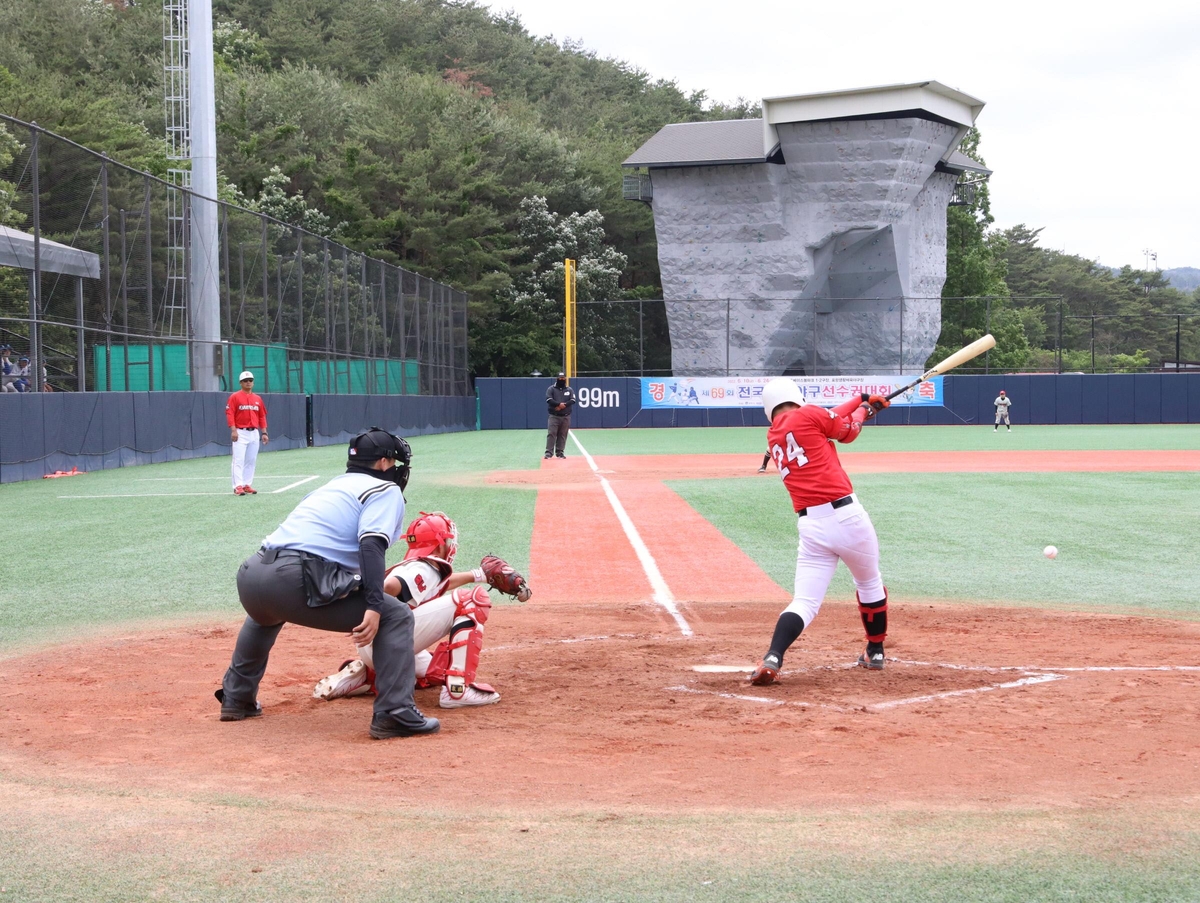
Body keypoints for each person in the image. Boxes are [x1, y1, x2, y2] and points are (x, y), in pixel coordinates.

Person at [217, 427, 440, 739]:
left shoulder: (332, 486)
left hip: (253, 576)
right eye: (395, 463)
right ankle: (395, 712)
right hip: (293, 578)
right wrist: (375, 607)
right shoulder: (383, 491)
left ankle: (236, 698)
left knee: (264, 616)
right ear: (383, 464)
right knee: (395, 615)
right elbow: (371, 546)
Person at [749, 378, 893, 685]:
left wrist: (860, 400)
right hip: (848, 518)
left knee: (804, 601)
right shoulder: (810, 414)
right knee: (869, 583)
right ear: (796, 396)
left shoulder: (775, 434)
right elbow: (848, 432)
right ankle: (875, 651)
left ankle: (773, 656)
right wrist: (864, 411)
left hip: (811, 527)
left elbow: (825, 419)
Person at [313, 511, 531, 709]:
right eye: (447, 539)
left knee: (437, 671)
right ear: (439, 544)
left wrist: (479, 575)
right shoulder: (423, 568)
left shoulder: (419, 566)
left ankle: (368, 676)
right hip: (385, 643)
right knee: (472, 599)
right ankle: (458, 691)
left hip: (379, 648)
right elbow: (389, 587)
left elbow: (436, 585)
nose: (450, 544)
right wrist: (372, 613)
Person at [226, 370, 268, 495]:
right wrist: (233, 430)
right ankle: (237, 486)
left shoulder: (257, 399)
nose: (248, 382)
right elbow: (230, 413)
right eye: (245, 381)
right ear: (240, 383)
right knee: (238, 460)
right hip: (240, 431)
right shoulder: (235, 396)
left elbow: (262, 416)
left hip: (254, 432)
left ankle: (246, 484)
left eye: (250, 380)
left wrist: (264, 432)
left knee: (251, 459)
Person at [544, 371, 576, 460]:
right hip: (554, 416)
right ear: (557, 379)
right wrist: (558, 404)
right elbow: (549, 400)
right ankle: (548, 453)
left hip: (566, 416)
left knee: (563, 434)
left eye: (563, 378)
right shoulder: (551, 389)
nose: (562, 379)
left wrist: (563, 405)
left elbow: (573, 400)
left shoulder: (569, 389)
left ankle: (560, 452)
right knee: (551, 433)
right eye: (560, 378)